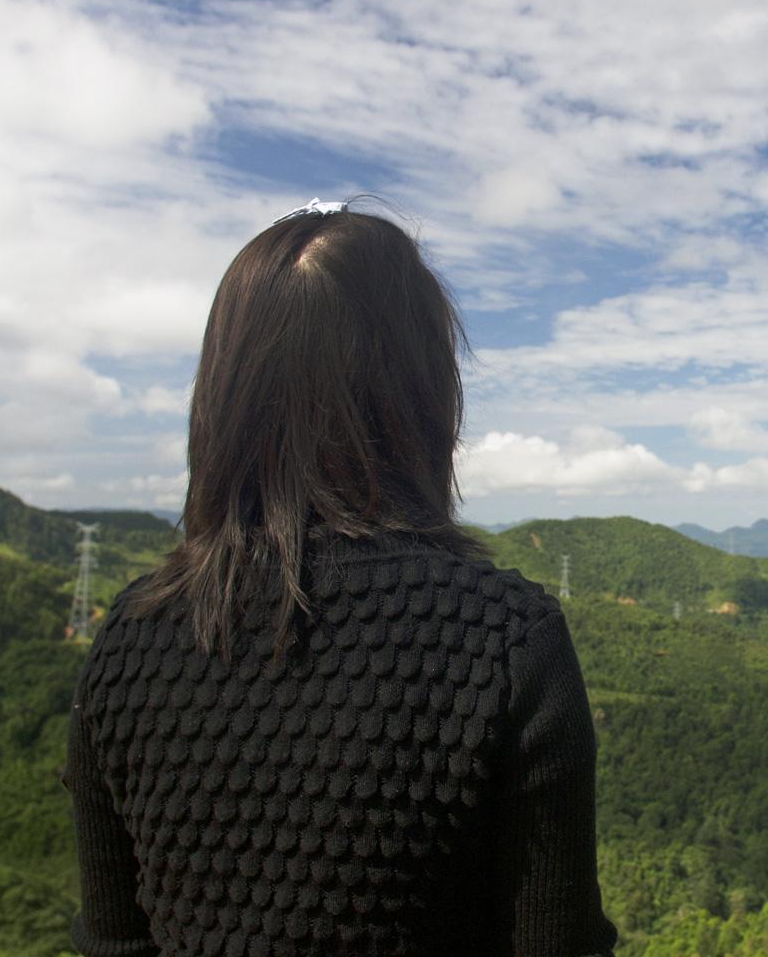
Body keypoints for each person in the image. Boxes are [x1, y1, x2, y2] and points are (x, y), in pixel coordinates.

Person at [61, 200, 617, 957]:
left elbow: (115, 945)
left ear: (224, 391)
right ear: (423, 389)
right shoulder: (504, 642)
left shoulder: (129, 641)